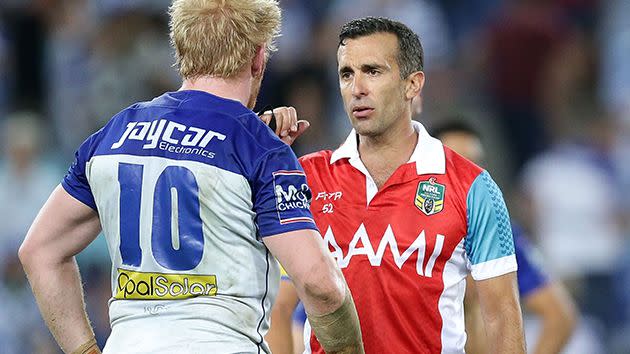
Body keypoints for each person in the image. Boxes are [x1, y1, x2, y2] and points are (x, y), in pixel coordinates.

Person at [18, 1, 364, 354]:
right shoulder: (259, 148)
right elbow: (320, 285)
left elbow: (39, 250)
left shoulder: (113, 135)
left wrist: (86, 350)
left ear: (181, 49)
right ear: (258, 58)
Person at [267, 17, 525, 354]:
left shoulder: (472, 186)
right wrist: (263, 157)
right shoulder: (305, 177)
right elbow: (276, 302)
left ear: (412, 85)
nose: (357, 88)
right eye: (347, 74)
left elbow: (502, 315)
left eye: (373, 71)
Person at [431, 120, 577, 354]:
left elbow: (559, 317)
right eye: (455, 163)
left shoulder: (501, 233)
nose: (467, 174)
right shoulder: (401, 229)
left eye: (475, 163)